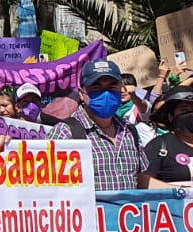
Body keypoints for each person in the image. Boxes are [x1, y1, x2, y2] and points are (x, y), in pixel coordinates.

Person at [49, 60, 146, 192]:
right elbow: (47, 186)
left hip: (128, 212)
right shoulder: (65, 133)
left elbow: (140, 179)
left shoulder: (129, 131)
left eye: (112, 87)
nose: (105, 94)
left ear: (121, 90)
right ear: (82, 93)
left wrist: (182, 193)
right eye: (96, 88)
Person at [139, 88, 193, 187]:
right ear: (171, 116)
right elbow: (142, 181)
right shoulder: (159, 145)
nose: (191, 113)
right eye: (184, 109)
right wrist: (185, 191)